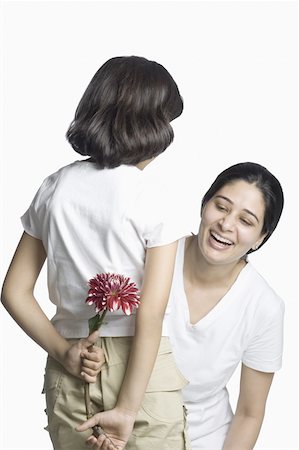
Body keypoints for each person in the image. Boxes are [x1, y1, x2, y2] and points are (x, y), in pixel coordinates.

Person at [1, 56, 191, 450]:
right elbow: (150, 313)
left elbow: (14, 291)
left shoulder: (54, 188)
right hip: (141, 372)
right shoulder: (154, 197)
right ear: (151, 125)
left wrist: (64, 352)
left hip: (72, 364)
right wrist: (127, 407)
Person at [165, 162, 284, 450]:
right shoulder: (156, 257)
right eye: (221, 207)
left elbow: (249, 414)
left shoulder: (264, 307)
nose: (226, 225)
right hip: (125, 431)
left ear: (260, 238)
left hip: (205, 440)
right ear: (204, 204)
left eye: (246, 221)